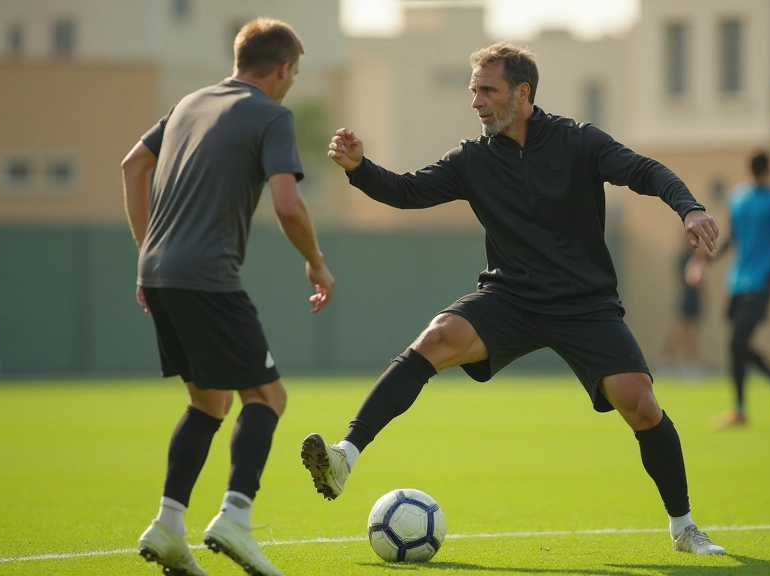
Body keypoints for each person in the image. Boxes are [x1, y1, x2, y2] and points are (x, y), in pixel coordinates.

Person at [301, 42, 725, 556]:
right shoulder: (472, 158)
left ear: (522, 93)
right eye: (473, 90)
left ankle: (684, 527)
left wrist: (690, 209)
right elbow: (407, 191)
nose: (476, 101)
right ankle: (345, 454)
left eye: (487, 90)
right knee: (437, 337)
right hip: (511, 297)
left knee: (639, 404)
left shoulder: (579, 140)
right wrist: (359, 167)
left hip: (584, 303)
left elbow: (647, 171)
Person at [121, 18, 334, 576]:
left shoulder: (190, 103)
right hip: (207, 278)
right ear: (284, 68)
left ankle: (169, 527)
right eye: (295, 72)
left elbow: (133, 164)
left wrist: (149, 251)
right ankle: (235, 518)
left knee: (208, 403)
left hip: (160, 273)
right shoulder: (272, 114)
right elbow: (288, 205)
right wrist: (316, 263)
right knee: (267, 398)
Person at [686, 151, 770, 428]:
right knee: (738, 344)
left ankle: (740, 410)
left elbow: (728, 241)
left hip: (752, 282)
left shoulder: (738, 198)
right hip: (745, 282)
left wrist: (702, 264)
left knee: (736, 343)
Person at [659, 246, 703, 375]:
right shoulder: (684, 258)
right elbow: (690, 278)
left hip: (695, 299)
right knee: (678, 330)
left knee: (692, 332)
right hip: (685, 298)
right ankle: (667, 359)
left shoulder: (698, 258)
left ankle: (692, 364)